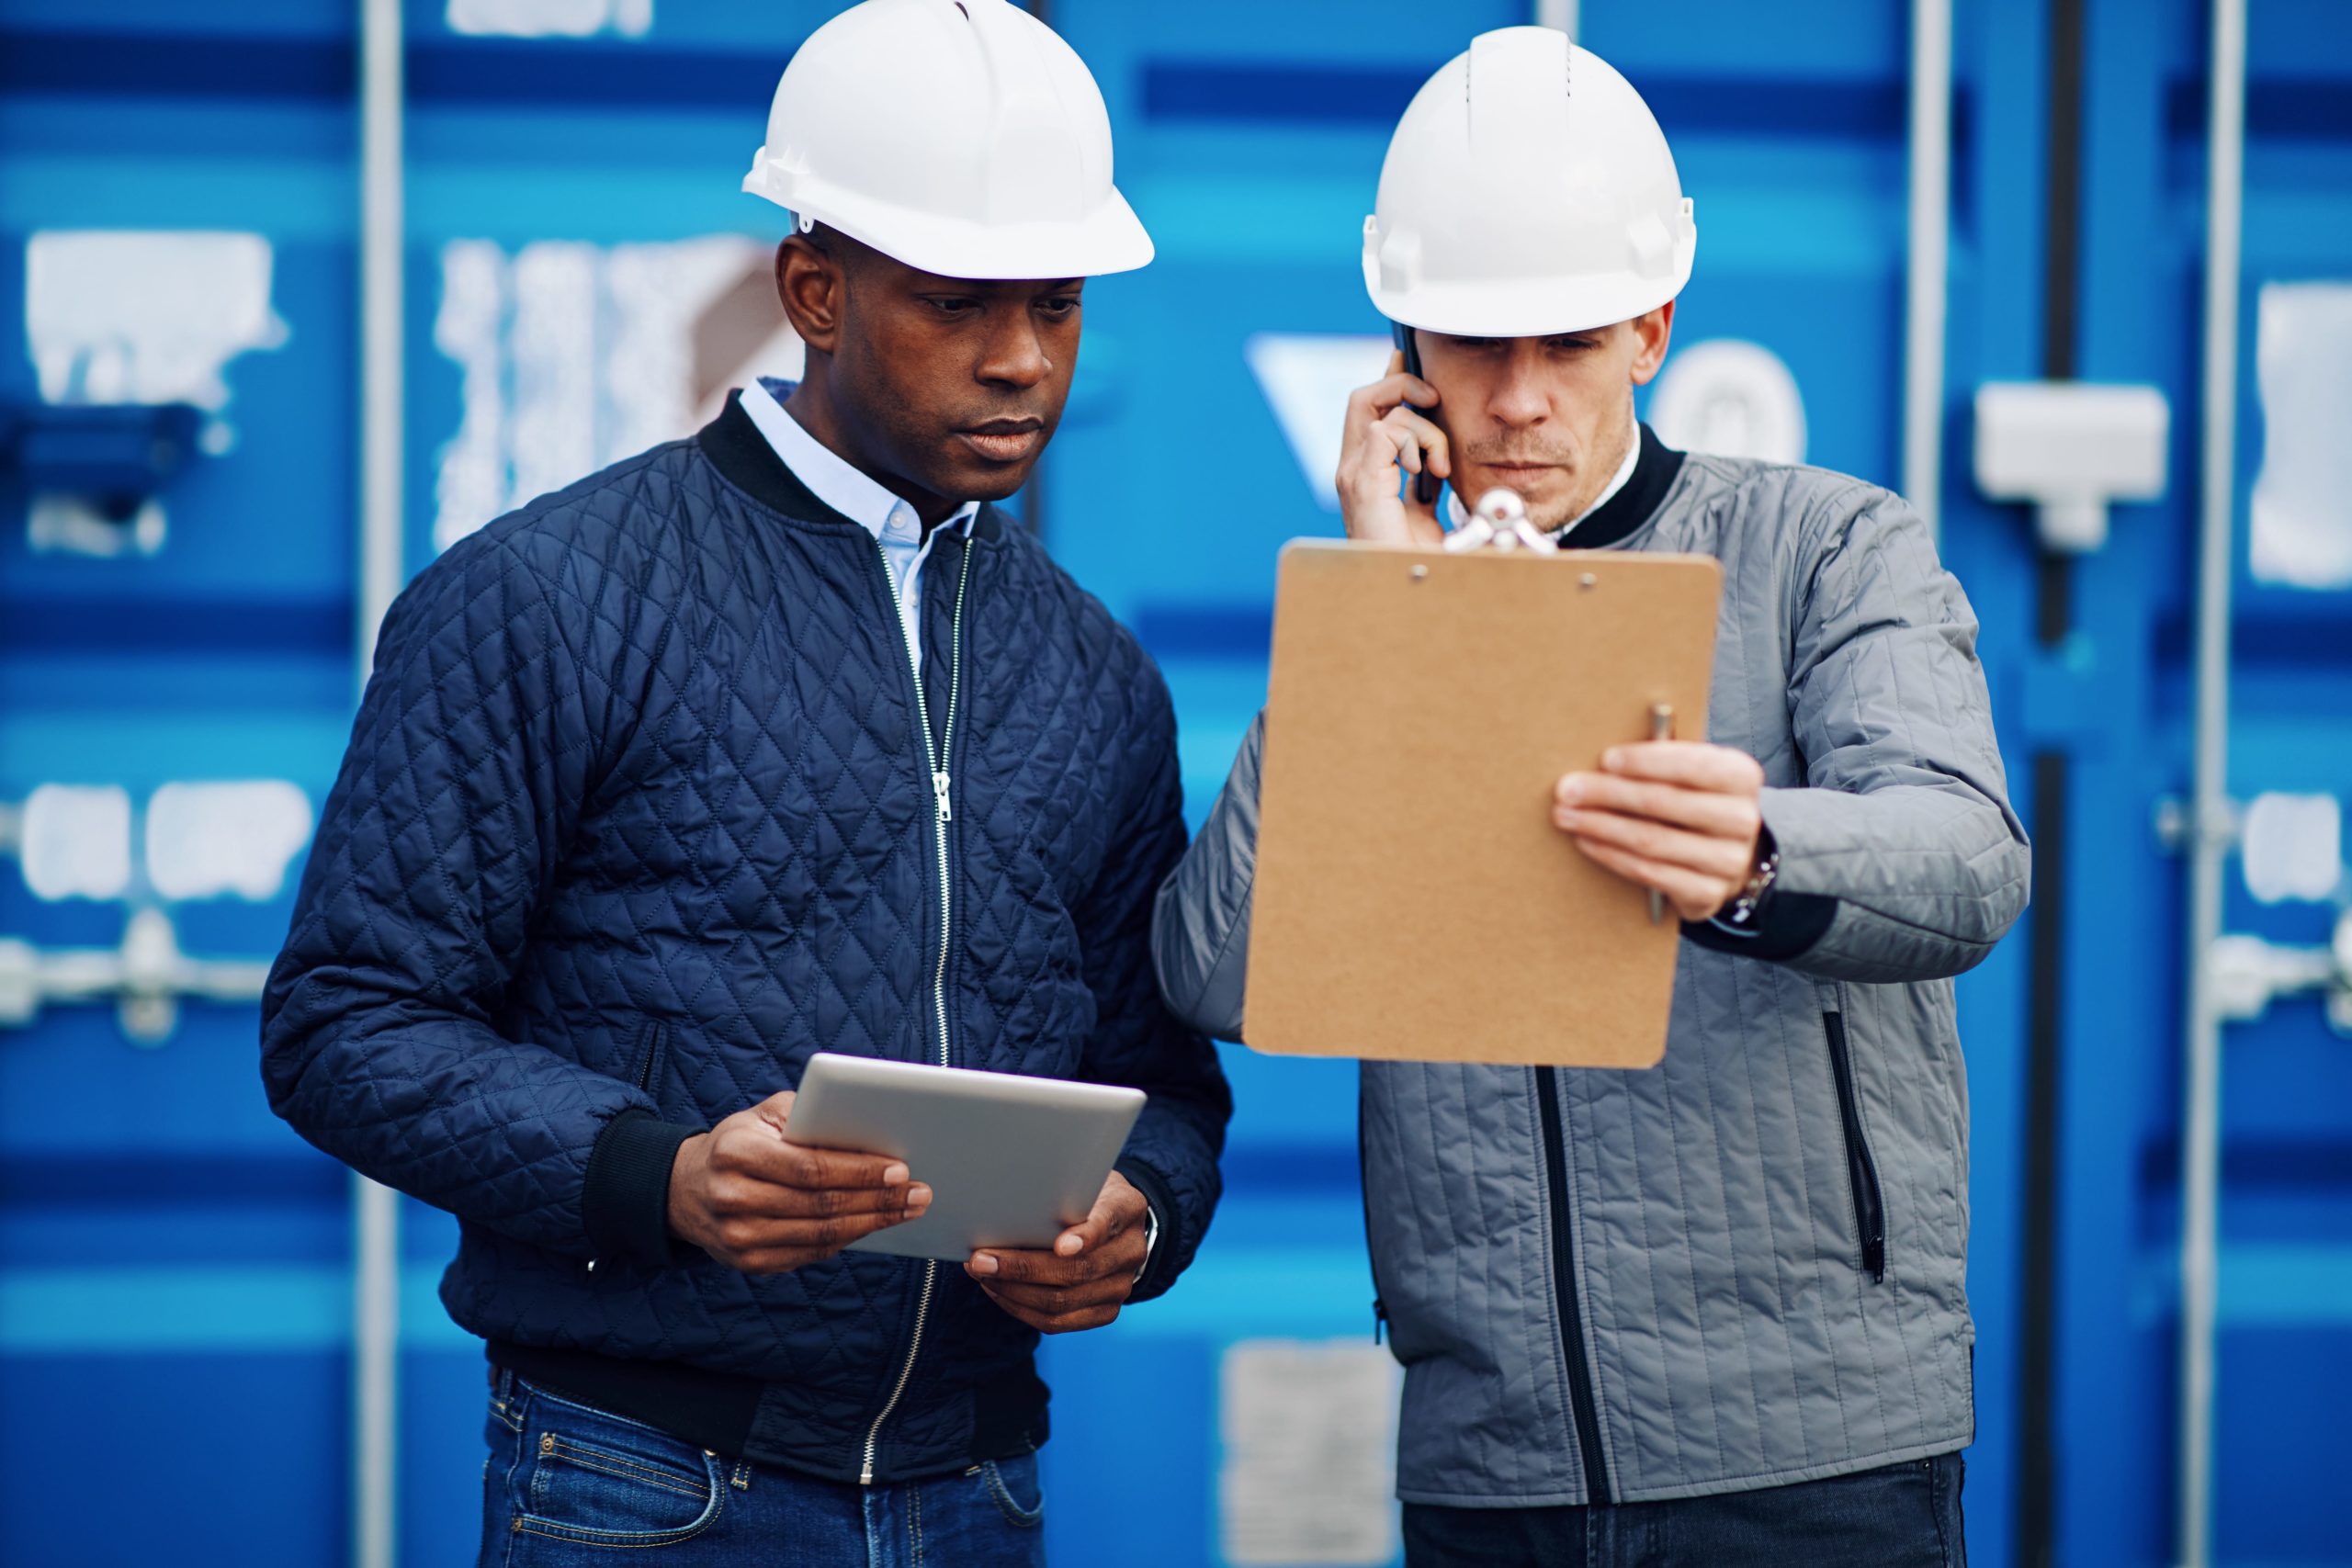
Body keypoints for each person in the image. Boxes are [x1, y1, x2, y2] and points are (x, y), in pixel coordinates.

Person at [260, 3, 1228, 1562]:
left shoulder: (1096, 671)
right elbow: (345, 1020)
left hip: (979, 1492)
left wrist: (1144, 1219)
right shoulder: (546, 597)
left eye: (1056, 306)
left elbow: (1163, 1084)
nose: (1021, 359)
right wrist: (661, 1179)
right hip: (642, 1490)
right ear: (815, 290)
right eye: (957, 304)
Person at [1152, 28, 2026, 1568]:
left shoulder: (1830, 550)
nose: (1520, 403)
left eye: (1568, 344)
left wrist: (1760, 853)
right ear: (1404, 350)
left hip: (1816, 1459)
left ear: (1653, 326)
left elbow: (1967, 859)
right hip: (1496, 1468)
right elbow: (1217, 971)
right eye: (1476, 347)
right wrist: (1373, 605)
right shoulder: (1384, 605)